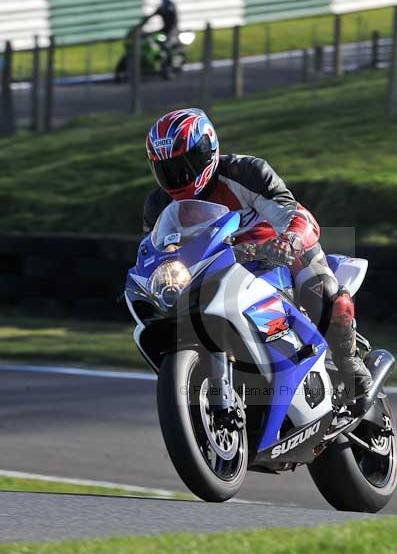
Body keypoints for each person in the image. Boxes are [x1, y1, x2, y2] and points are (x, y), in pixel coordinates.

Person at [143, 107, 373, 400]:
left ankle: (348, 362)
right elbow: (157, 253)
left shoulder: (246, 173)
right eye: (166, 170)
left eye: (183, 166)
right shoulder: (158, 205)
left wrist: (288, 242)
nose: (176, 178)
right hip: (212, 272)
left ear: (206, 151)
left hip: (274, 258)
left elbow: (294, 213)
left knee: (321, 287)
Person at [140, 0, 179, 70]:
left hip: (172, 31)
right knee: (153, 39)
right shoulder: (162, 9)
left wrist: (170, 34)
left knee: (166, 45)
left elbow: (174, 24)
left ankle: (169, 63)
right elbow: (152, 15)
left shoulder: (172, 10)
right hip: (164, 30)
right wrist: (143, 22)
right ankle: (156, 60)